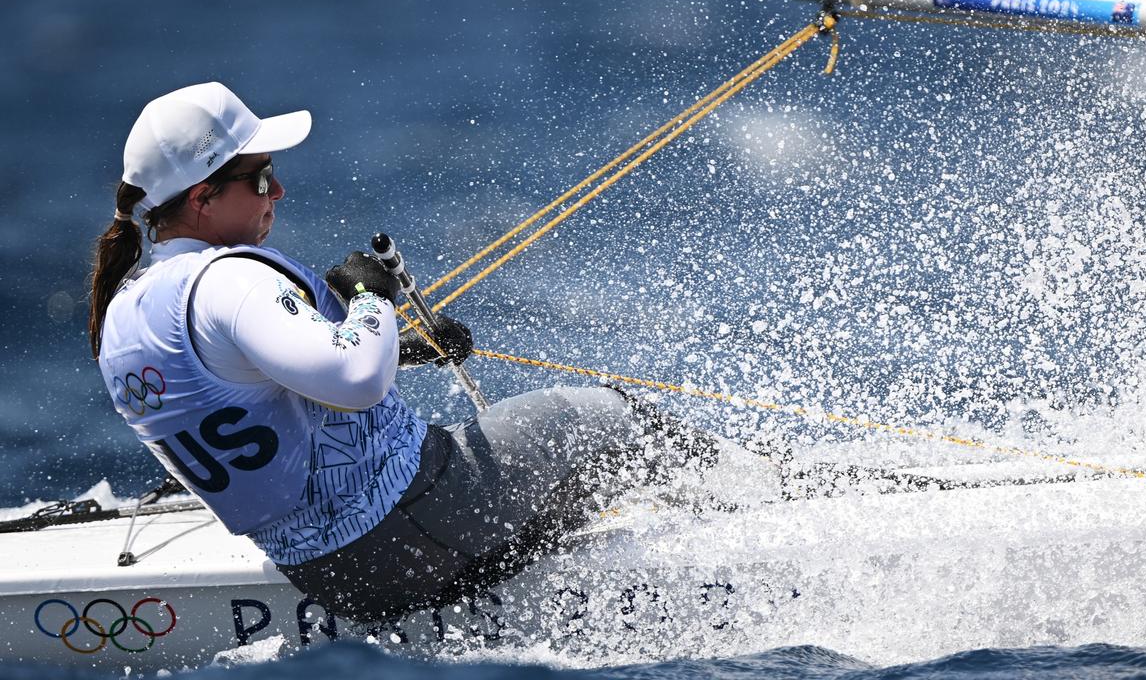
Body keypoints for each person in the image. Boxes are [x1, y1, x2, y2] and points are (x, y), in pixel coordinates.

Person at [89, 82, 716, 622]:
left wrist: (403, 348)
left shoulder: (125, 313)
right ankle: (778, 506)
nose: (276, 190)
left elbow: (264, 387)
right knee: (612, 416)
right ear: (201, 199)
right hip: (415, 524)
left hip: (333, 578)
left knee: (548, 473)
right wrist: (371, 300)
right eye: (259, 178)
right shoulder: (227, 280)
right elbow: (356, 376)